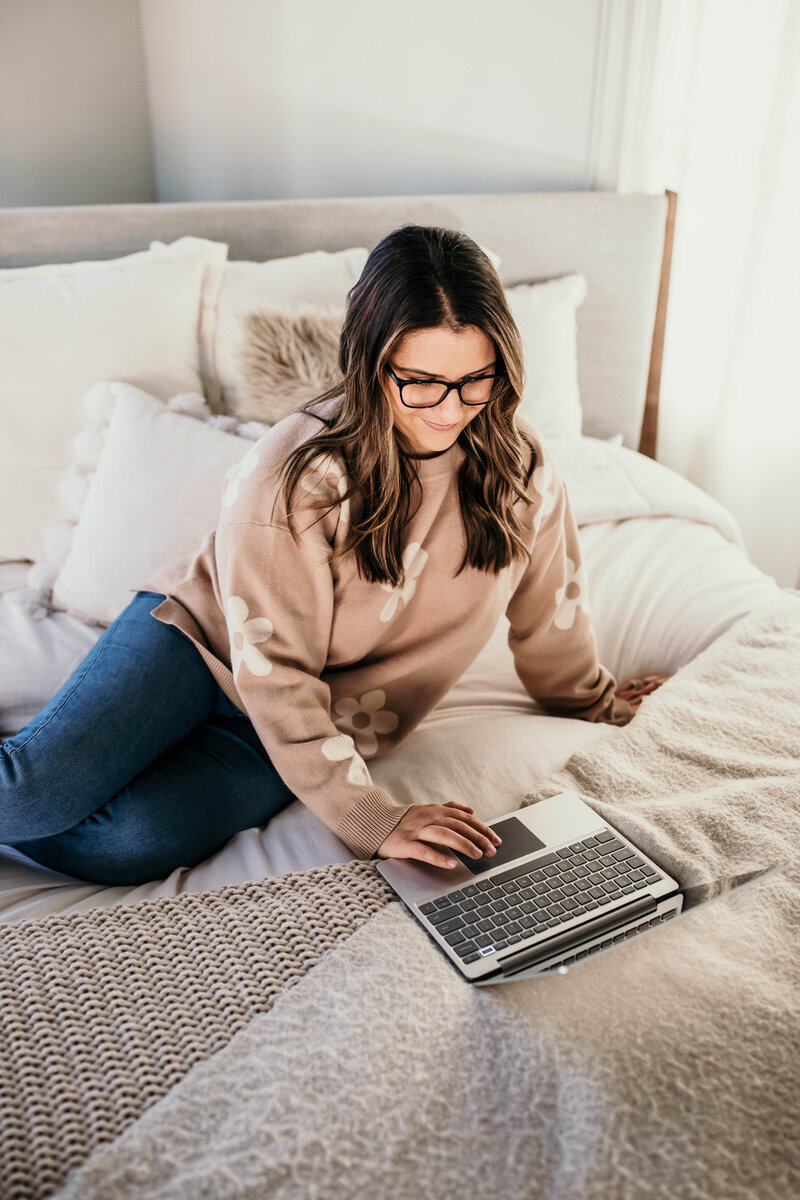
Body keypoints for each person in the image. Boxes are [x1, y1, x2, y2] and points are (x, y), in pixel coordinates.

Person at [0, 225, 669, 886]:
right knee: (33, 795)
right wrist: (372, 817)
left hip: (315, 715)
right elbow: (274, 666)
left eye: (476, 380)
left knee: (133, 840)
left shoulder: (519, 466)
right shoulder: (302, 473)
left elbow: (551, 610)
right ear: (372, 363)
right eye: (422, 382)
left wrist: (597, 702)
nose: (450, 409)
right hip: (206, 644)